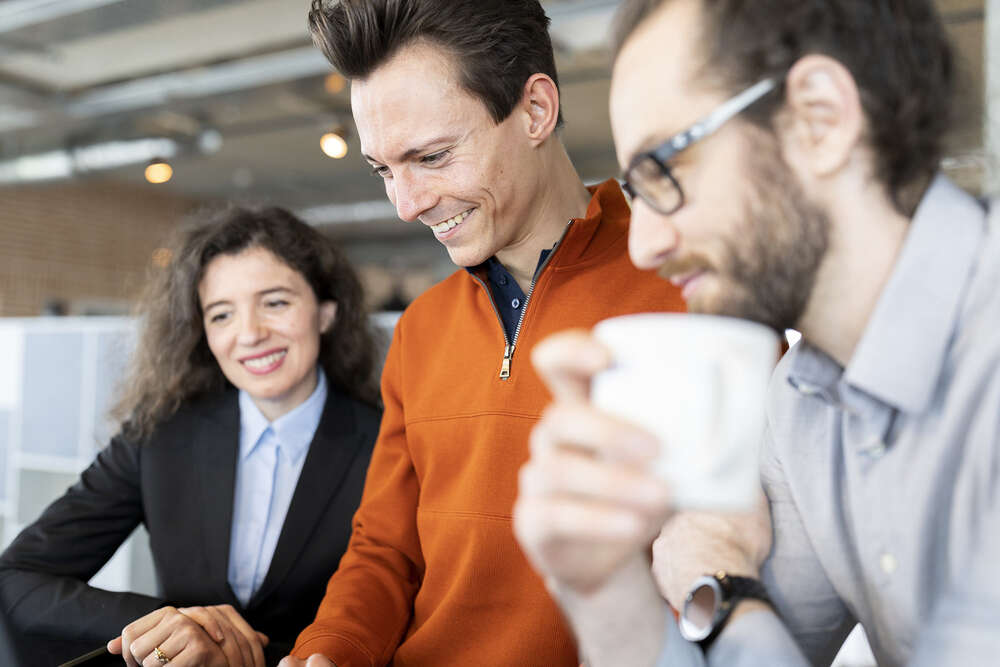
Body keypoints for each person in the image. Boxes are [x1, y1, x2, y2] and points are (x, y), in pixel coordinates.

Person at [514, 0, 1000, 665]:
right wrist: (604, 588)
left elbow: (728, 602)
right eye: (635, 192)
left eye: (664, 171)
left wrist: (725, 588)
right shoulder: (800, 402)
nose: (644, 247)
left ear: (820, 118)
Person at [282, 1, 685, 665]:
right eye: (383, 170)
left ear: (535, 110)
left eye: (432, 156)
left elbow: (724, 562)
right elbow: (385, 550)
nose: (406, 204)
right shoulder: (421, 328)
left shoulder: (685, 291)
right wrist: (329, 650)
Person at [0, 206, 382, 667]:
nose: (250, 334)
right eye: (221, 315)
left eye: (275, 303)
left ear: (326, 312)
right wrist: (174, 625)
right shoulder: (160, 434)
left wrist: (240, 650)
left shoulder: (388, 444)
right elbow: (16, 577)